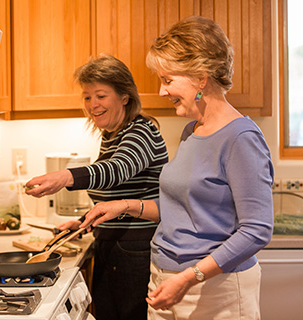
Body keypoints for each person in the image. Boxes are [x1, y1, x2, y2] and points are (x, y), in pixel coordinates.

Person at [79, 16, 274, 320]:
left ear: (200, 77)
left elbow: (257, 231)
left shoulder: (241, 138)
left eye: (168, 80)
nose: (161, 92)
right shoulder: (192, 131)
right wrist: (125, 205)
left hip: (214, 288)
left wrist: (189, 276)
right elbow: (183, 207)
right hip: (164, 278)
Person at [25, 54, 169, 320]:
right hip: (113, 244)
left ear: (125, 97)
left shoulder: (141, 131)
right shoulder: (113, 134)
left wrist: (66, 176)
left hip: (136, 250)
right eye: (87, 96)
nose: (92, 104)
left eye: (101, 96)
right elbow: (117, 194)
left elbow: (117, 171)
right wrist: (84, 221)